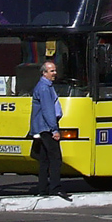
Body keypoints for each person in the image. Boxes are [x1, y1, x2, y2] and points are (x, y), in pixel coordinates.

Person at [29, 61, 71, 200]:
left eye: (54, 70)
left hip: (42, 128)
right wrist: (54, 130)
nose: (54, 73)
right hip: (46, 128)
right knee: (55, 159)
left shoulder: (45, 86)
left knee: (44, 159)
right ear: (44, 72)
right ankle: (55, 188)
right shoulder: (44, 88)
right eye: (51, 71)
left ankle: (42, 189)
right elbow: (48, 111)